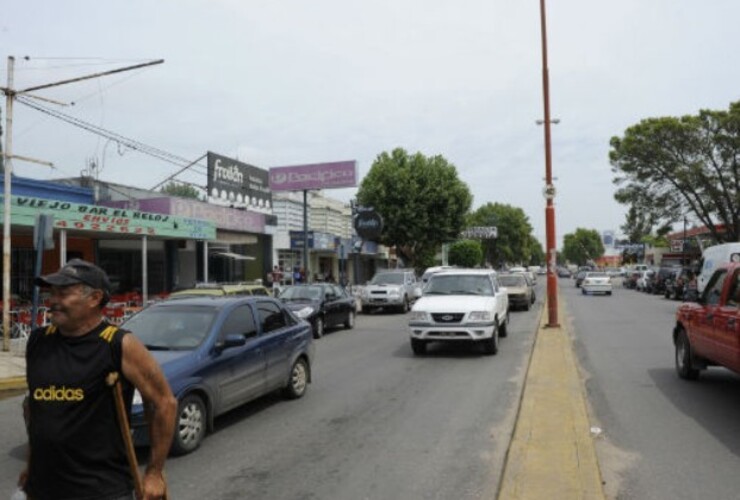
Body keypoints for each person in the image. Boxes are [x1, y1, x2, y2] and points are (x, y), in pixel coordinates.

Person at [19, 259, 177, 500]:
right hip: (42, 487)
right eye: (52, 293)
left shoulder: (118, 344)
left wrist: (155, 473)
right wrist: (30, 465)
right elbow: (35, 410)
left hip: (101, 490)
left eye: (63, 293)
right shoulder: (39, 341)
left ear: (94, 299)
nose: (53, 301)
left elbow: (164, 403)